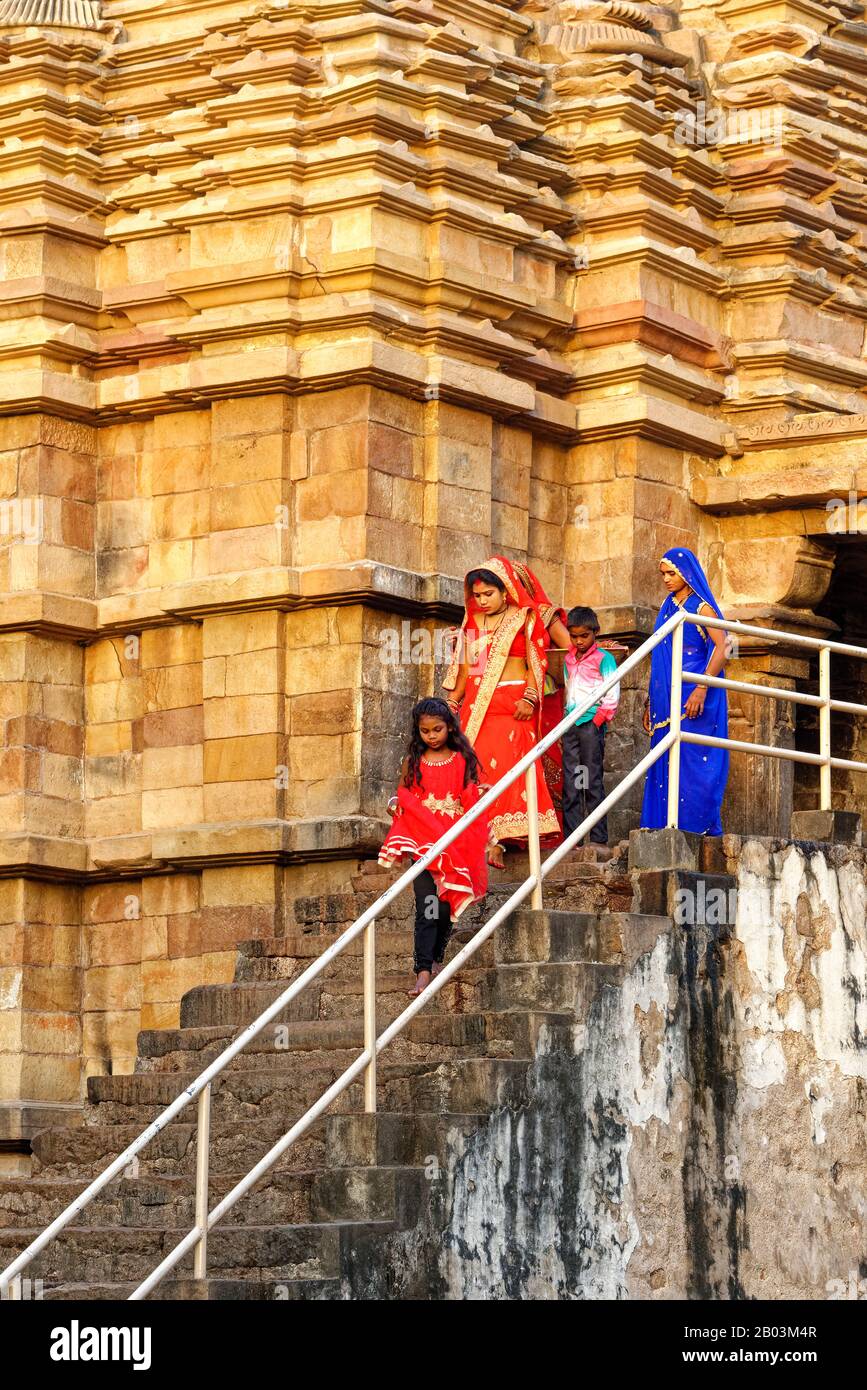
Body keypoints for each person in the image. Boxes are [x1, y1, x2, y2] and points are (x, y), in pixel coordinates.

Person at [442, 557, 563, 866]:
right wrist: (453, 701)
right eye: (478, 596)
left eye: (489, 594)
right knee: (478, 771)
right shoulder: (472, 622)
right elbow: (471, 667)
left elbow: (536, 661)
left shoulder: (524, 618)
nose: (482, 601)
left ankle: (503, 842)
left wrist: (531, 696)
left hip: (514, 707)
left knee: (511, 769)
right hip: (478, 708)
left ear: (505, 590)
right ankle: (482, 837)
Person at [380, 699, 490, 997]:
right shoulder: (412, 761)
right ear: (418, 732)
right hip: (421, 837)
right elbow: (402, 793)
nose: (431, 735)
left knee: (446, 903)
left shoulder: (461, 759)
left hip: (454, 838)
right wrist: (397, 805)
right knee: (426, 902)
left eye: (437, 729)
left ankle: (438, 957)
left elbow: (468, 795)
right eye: (425, 731)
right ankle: (423, 969)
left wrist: (480, 795)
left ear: (450, 727)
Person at [640, 548, 730, 835]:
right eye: (663, 574)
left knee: (693, 759)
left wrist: (702, 687)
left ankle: (695, 828)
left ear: (686, 573)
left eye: (672, 573)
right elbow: (660, 655)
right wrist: (649, 701)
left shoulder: (700, 608)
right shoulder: (668, 606)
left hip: (695, 692)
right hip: (666, 696)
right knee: (666, 755)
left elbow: (725, 646)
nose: (666, 579)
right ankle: (663, 826)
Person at [561, 606, 621, 846]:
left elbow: (612, 692)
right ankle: (573, 840)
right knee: (573, 780)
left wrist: (598, 721)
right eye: (574, 636)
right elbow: (568, 690)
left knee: (592, 779)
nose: (579, 641)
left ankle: (598, 838)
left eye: (584, 636)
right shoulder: (568, 658)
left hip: (590, 724)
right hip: (572, 723)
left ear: (595, 632)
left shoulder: (604, 659)